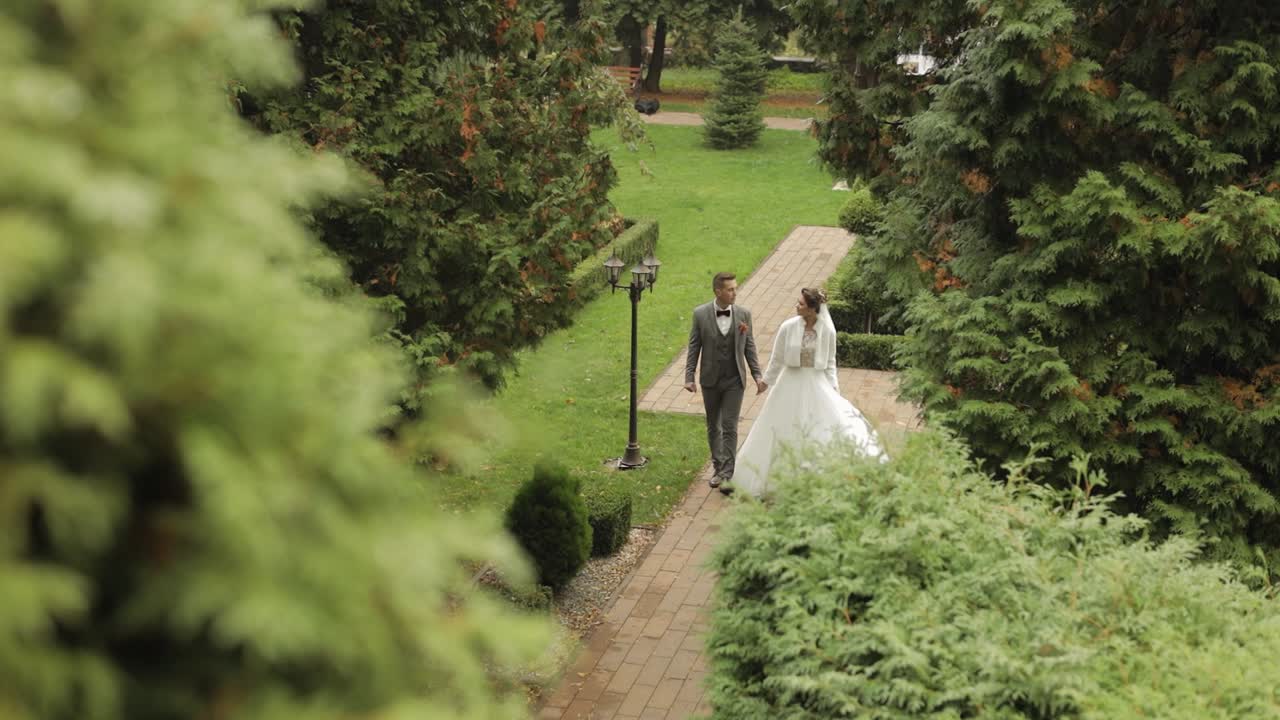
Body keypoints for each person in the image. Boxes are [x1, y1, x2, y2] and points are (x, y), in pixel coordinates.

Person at [732, 287, 885, 498]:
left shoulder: (827, 331)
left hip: (815, 383)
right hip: (789, 383)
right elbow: (777, 358)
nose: (797, 306)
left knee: (819, 429)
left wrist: (835, 391)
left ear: (813, 309)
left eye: (802, 304)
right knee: (780, 427)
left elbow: (830, 363)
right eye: (798, 302)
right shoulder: (788, 327)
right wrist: (766, 382)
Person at [684, 272, 766, 494]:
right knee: (714, 425)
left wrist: (758, 375)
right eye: (730, 289)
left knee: (729, 425)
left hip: (734, 380)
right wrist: (689, 376)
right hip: (710, 379)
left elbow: (749, 346)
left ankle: (727, 474)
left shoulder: (744, 315)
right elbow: (694, 346)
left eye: (735, 288)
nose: (734, 292)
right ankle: (718, 467)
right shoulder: (700, 315)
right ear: (718, 291)